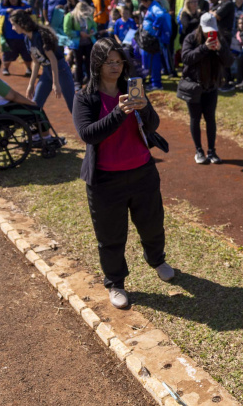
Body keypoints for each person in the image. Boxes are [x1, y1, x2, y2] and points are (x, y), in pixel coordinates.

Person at [72, 38, 175, 309]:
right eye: (109, 61)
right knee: (111, 236)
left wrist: (144, 108)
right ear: (97, 63)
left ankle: (157, 260)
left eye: (119, 61)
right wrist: (119, 112)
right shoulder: (85, 97)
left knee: (152, 224)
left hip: (143, 173)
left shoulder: (133, 89)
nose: (115, 66)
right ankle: (116, 282)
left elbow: (152, 125)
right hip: (105, 181)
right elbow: (88, 134)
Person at [179, 13, 233, 164]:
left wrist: (220, 49)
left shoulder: (219, 39)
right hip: (194, 85)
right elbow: (186, 58)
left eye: (212, 30)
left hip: (211, 86)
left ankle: (212, 151)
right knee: (195, 118)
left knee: (210, 119)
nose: (210, 34)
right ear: (201, 27)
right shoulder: (191, 38)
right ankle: (199, 151)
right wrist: (204, 48)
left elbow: (229, 61)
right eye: (207, 31)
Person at [10, 9, 75, 113]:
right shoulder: (27, 39)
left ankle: (88, 123)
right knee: (36, 103)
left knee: (73, 105)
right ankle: (35, 123)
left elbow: (53, 60)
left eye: (13, 25)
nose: (12, 28)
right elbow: (36, 63)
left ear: (20, 23)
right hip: (46, 71)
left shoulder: (40, 36)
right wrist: (31, 85)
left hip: (60, 70)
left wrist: (56, 83)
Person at [0, 0, 32, 77]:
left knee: (27, 53)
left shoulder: (23, 5)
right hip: (10, 36)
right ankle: (6, 68)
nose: (13, 0)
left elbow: (31, 11)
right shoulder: (3, 6)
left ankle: (29, 68)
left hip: (23, 36)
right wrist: (6, 10)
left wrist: (27, 11)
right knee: (8, 53)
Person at [64, 1, 97, 89]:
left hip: (88, 42)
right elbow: (67, 30)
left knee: (89, 62)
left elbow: (94, 26)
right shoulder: (70, 16)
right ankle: (78, 82)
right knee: (78, 62)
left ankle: (90, 81)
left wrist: (92, 31)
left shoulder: (88, 16)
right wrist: (79, 33)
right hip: (77, 44)